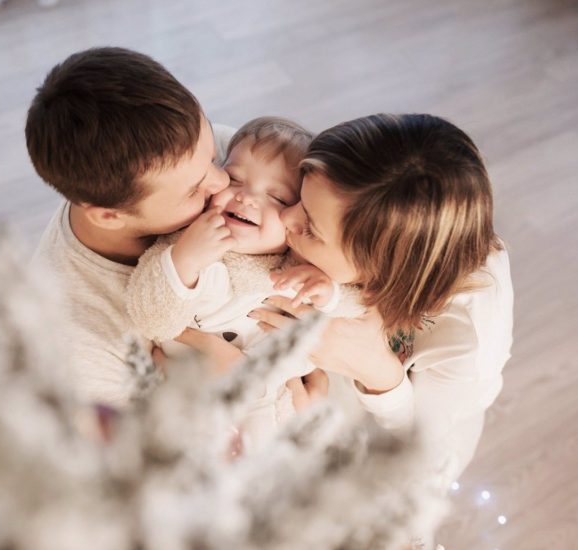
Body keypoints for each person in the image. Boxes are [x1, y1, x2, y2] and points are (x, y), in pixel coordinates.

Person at [247, 113, 514, 486]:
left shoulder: (465, 341)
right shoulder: (371, 205)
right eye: (296, 198)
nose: (284, 217)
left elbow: (429, 460)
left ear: (380, 270)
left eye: (309, 228)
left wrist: (381, 377)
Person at [125, 116, 364, 448]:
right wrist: (185, 260)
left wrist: (332, 295)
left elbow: (361, 307)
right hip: (195, 410)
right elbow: (148, 316)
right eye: (234, 179)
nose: (246, 198)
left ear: (299, 219)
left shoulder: (301, 264)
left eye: (278, 198)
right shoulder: (186, 245)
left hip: (281, 412)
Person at [26, 47, 232, 407]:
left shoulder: (192, 157)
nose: (225, 181)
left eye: (212, 155)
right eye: (194, 191)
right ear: (108, 215)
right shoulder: (78, 345)